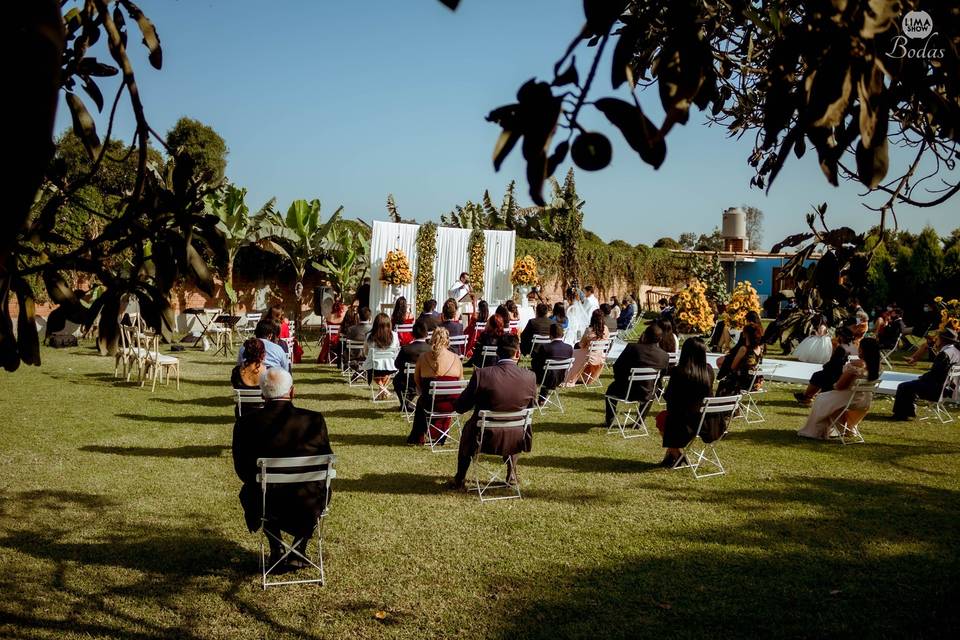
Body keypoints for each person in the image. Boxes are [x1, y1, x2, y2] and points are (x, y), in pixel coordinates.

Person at [232, 368, 333, 572]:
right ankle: (298, 548)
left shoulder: (246, 423)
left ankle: (277, 546)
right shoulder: (314, 420)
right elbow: (325, 462)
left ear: (262, 394)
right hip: (309, 499)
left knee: (254, 490)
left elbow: (242, 469)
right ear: (292, 392)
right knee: (324, 487)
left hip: (267, 500)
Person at [450, 334, 536, 489]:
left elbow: (461, 406)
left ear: (497, 353)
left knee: (468, 430)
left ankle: (460, 478)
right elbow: (531, 405)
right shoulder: (530, 377)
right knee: (514, 425)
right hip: (516, 437)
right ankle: (511, 474)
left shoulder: (482, 375)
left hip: (483, 437)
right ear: (517, 353)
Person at [798, 338, 881, 439]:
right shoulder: (877, 366)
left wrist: (834, 385)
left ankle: (817, 431)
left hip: (849, 399)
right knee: (828, 399)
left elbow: (840, 386)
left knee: (821, 398)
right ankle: (844, 429)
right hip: (865, 401)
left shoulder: (855, 365)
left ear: (862, 350)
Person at [660, 337, 718, 467]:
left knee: (662, 419)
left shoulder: (678, 371)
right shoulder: (708, 371)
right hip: (706, 422)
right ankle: (671, 457)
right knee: (667, 418)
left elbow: (669, 396)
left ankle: (677, 455)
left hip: (684, 423)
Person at [408, 327, 464, 445]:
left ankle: (419, 436)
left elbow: (416, 379)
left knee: (422, 401)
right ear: (447, 341)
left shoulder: (423, 358)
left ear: (432, 339)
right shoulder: (456, 358)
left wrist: (423, 391)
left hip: (430, 403)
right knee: (429, 400)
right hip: (451, 404)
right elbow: (461, 381)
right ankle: (441, 433)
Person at [605, 324, 668, 427]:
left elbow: (617, 366)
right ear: (660, 339)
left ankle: (610, 420)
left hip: (625, 391)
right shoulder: (664, 356)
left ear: (645, 335)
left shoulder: (632, 348)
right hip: (647, 393)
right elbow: (661, 376)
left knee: (611, 390)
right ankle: (639, 421)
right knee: (652, 389)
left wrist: (619, 380)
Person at [893, 328, 960, 420]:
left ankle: (901, 415)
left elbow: (935, 374)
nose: (936, 340)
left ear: (943, 340)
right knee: (912, 384)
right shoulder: (956, 352)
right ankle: (909, 411)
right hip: (948, 388)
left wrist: (922, 378)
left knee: (903, 386)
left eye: (938, 338)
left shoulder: (945, 354)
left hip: (937, 390)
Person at [794, 326, 857, 406]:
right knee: (820, 375)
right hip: (846, 374)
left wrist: (825, 366)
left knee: (817, 375)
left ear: (840, 336)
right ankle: (807, 396)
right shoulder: (854, 348)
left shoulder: (841, 348)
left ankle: (807, 397)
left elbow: (833, 364)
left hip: (837, 375)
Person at [563, 308, 610, 386]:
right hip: (600, 355)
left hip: (589, 356)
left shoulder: (589, 330)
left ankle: (569, 375)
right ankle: (582, 377)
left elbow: (581, 345)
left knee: (573, 353)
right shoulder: (606, 329)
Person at [531, 323, 574, 404]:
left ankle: (534, 398)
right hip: (560, 378)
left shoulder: (545, 347)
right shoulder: (569, 348)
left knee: (539, 371)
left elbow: (535, 363)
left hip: (545, 378)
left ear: (550, 334)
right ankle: (542, 399)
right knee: (549, 372)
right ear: (562, 334)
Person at [716, 323, 764, 396]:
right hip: (755, 381)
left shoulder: (744, 349)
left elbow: (733, 367)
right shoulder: (759, 348)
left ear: (746, 334)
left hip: (744, 382)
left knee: (724, 381)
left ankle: (724, 403)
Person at [393, 320, 431, 410]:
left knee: (396, 380)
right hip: (426, 380)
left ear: (412, 333)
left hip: (407, 381)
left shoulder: (406, 349)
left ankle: (405, 403)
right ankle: (407, 403)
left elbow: (397, 364)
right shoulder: (431, 349)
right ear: (426, 334)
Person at [362, 313, 400, 399]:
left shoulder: (369, 336)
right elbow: (397, 350)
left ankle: (382, 390)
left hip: (374, 367)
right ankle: (384, 390)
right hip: (390, 367)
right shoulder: (394, 335)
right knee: (386, 368)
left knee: (375, 368)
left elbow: (366, 352)